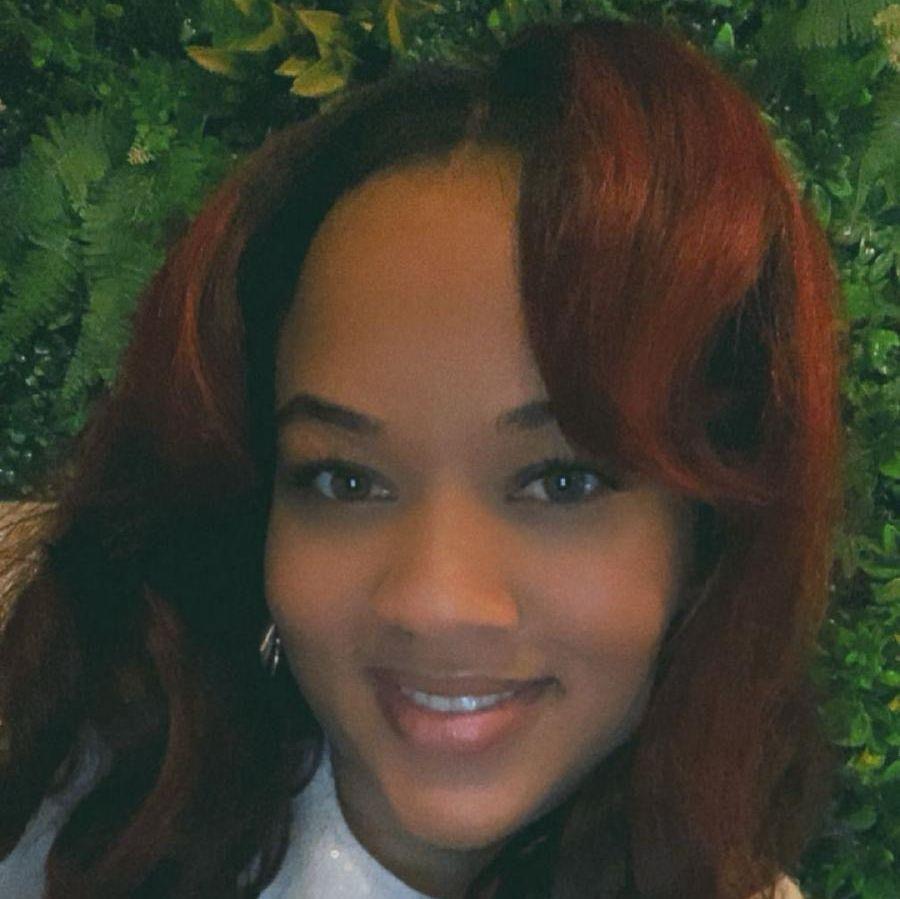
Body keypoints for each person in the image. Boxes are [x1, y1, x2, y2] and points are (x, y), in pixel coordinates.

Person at [0, 15, 845, 899]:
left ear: (708, 528)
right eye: (345, 480)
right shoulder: (72, 834)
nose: (435, 601)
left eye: (561, 481)